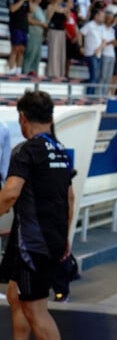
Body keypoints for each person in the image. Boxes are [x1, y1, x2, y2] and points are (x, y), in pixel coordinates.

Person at [0, 90, 75, 340]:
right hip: (45, 240)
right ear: (50, 118)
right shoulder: (60, 150)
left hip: (31, 245)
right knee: (17, 297)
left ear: (22, 117)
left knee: (35, 310)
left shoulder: (26, 151)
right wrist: (64, 236)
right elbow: (70, 198)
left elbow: (10, 193)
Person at [6, 0, 32, 75]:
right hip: (15, 25)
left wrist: (30, 0)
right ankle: (10, 69)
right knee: (15, 48)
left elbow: (31, 11)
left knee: (22, 49)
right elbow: (12, 9)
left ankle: (18, 70)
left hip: (24, 26)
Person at [21, 0, 47, 76]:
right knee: (30, 54)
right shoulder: (31, 6)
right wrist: (40, 23)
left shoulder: (40, 8)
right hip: (33, 33)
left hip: (39, 35)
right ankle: (26, 72)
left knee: (37, 56)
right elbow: (29, 19)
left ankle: (34, 73)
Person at [45, 0, 68, 78]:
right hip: (53, 30)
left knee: (60, 52)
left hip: (61, 31)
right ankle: (52, 72)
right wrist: (54, 7)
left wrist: (66, 10)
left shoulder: (63, 8)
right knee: (53, 51)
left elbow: (68, 19)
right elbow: (48, 17)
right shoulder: (50, 6)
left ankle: (60, 72)